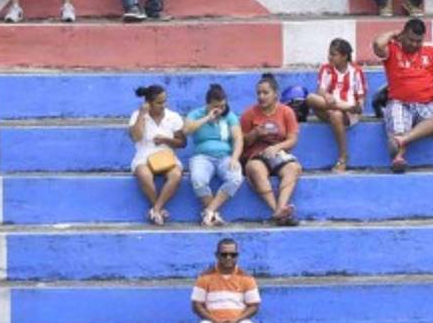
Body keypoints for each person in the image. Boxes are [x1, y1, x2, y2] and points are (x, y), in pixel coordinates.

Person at [373, 19, 433, 173]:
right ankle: (399, 158)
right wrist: (394, 33)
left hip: (426, 104)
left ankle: (401, 140)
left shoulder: (431, 52)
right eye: (411, 40)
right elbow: (378, 45)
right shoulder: (393, 49)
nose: (414, 44)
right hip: (399, 102)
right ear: (403, 35)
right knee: (398, 120)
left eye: (418, 41)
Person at [241, 74, 303, 226]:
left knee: (294, 168)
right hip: (257, 155)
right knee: (255, 169)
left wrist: (277, 147)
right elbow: (242, 142)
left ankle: (279, 209)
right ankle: (278, 211)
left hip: (279, 154)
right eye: (258, 93)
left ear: (276, 94)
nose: (261, 97)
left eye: (265, 93)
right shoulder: (249, 113)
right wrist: (255, 134)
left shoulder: (286, 112)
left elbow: (292, 139)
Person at [191, 238, 262, 323]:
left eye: (233, 254)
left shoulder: (246, 278)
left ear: (237, 256)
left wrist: (235, 321)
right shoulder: (204, 277)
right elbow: (196, 305)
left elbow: (254, 306)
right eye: (224, 254)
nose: (228, 258)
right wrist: (217, 322)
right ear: (217, 255)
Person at [183, 84, 244, 227]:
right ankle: (214, 215)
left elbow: (238, 138)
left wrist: (235, 158)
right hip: (202, 157)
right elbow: (186, 130)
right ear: (208, 104)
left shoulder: (229, 116)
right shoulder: (196, 114)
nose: (220, 109)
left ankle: (209, 211)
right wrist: (207, 118)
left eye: (223, 106)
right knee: (198, 180)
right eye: (216, 106)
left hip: (225, 156)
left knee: (235, 178)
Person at [304, 38, 367, 173]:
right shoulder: (326, 69)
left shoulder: (356, 71)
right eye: (329, 54)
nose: (329, 57)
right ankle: (343, 107)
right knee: (310, 98)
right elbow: (320, 90)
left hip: (349, 113)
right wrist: (326, 95)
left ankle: (343, 157)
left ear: (344, 56)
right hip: (329, 107)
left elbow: (361, 97)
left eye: (333, 54)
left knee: (336, 114)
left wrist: (357, 107)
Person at [128, 84, 185, 227]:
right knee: (143, 174)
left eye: (165, 101)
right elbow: (136, 137)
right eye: (159, 103)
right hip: (144, 155)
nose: (163, 105)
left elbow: (182, 143)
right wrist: (142, 115)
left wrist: (166, 140)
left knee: (176, 175)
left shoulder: (173, 117)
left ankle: (156, 209)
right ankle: (157, 208)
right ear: (149, 103)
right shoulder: (137, 115)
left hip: (167, 155)